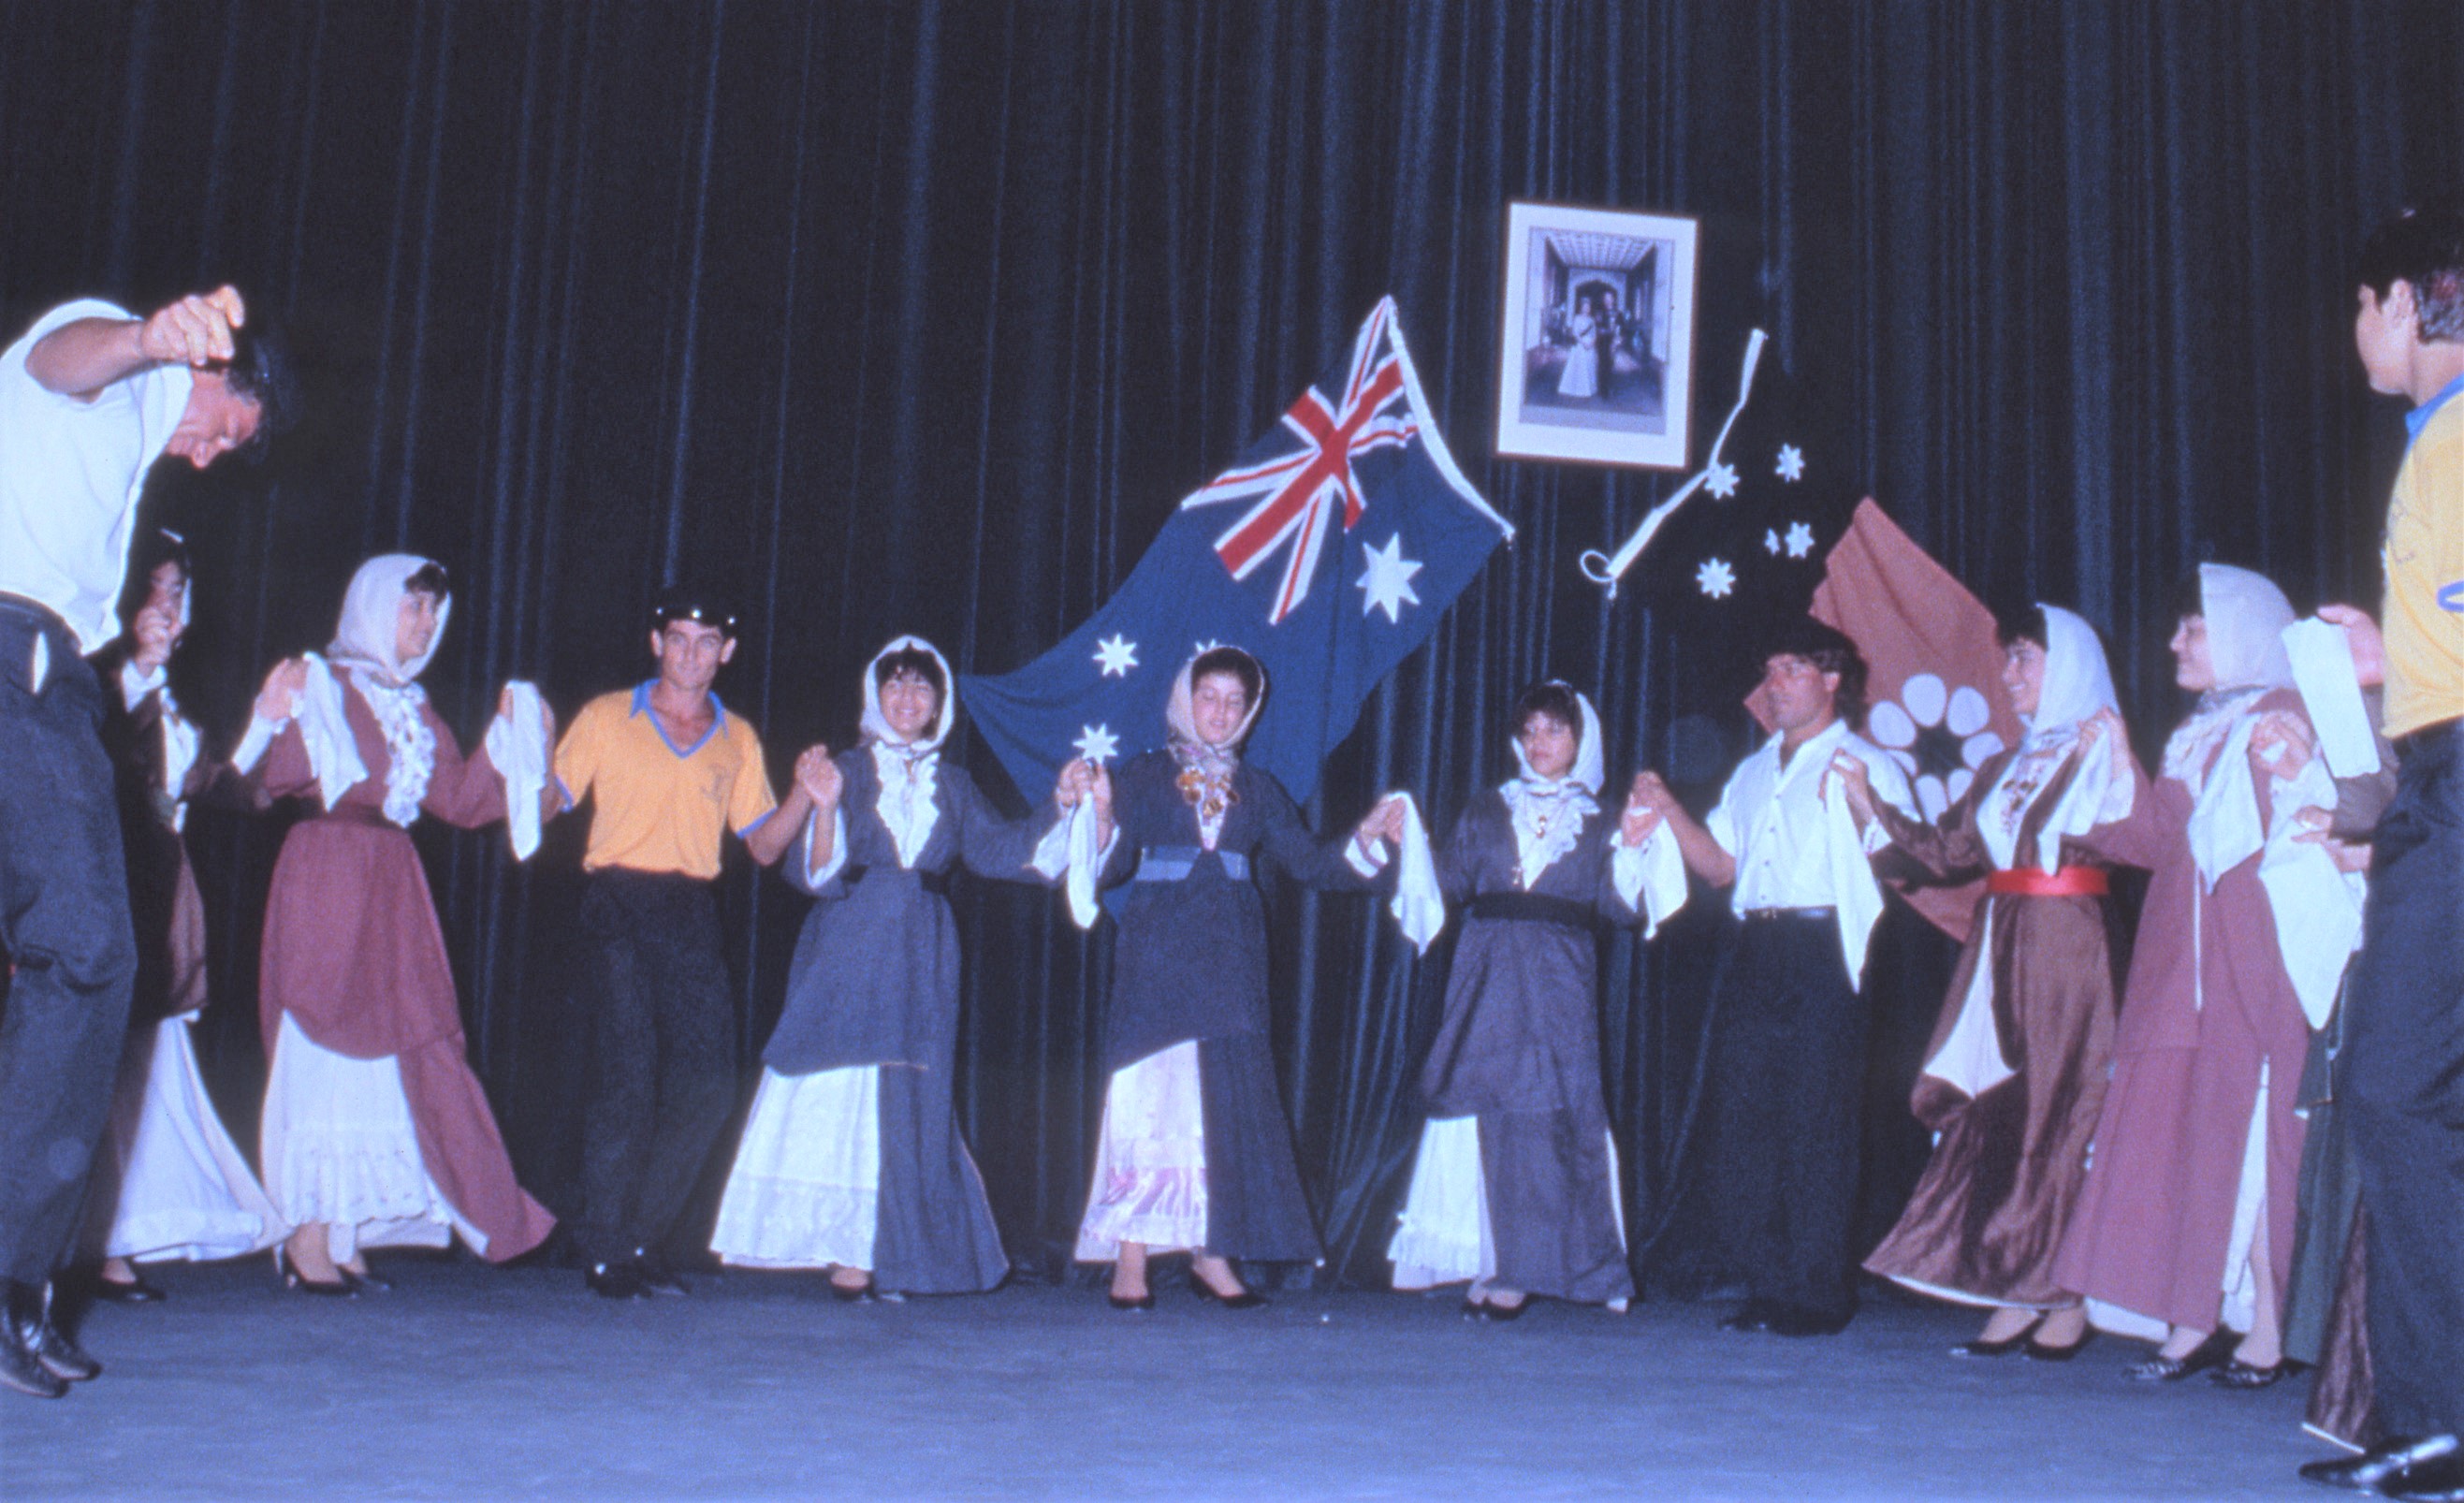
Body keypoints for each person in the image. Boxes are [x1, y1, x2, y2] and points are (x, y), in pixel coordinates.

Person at [0, 285, 294, 1399]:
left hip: (52, 676)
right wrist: (142, 338)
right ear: (212, 375)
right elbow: (55, 363)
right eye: (223, 431)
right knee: (86, 951)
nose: (209, 458)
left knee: (86, 957)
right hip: (13, 658)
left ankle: (19, 1279)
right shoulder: (117, 365)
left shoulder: (129, 453)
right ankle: (12, 1279)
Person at [710, 637, 1065, 1299]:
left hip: (923, 948)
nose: (907, 699)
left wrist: (1063, 807)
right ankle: (839, 1247)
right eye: (895, 685)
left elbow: (999, 853)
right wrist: (819, 805)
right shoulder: (844, 767)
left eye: (921, 688)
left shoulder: (953, 785)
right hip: (850, 937)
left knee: (909, 1094)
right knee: (837, 1082)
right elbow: (816, 873)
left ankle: (882, 1255)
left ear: (938, 703)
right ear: (875, 694)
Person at [244, 555, 558, 1292]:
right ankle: (307, 1239)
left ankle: (347, 1231)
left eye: (431, 612)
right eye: (411, 608)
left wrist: (510, 743)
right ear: (373, 608)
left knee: (393, 1057)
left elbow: (460, 800)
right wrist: (272, 714)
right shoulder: (323, 683)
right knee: (323, 1051)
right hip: (328, 878)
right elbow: (261, 784)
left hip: (391, 887)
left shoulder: (413, 706)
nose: (424, 625)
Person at [1066, 646, 1403, 1309]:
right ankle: (1129, 1259)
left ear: (1249, 711)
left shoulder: (1261, 789)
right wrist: (1100, 815)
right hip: (1156, 959)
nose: (1218, 712)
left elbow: (1311, 865)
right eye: (1207, 696)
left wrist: (1367, 835)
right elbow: (1103, 872)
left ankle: (1211, 1255)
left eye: (1232, 701)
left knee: (1216, 1107)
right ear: (1183, 700)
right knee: (1148, 1101)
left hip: (1231, 962)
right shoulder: (1140, 775)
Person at [2049, 564, 2320, 1387]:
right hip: (2183, 964)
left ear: (2241, 631)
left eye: (2192, 628)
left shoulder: (2286, 712)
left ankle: (2268, 1326)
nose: (2174, 642)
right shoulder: (2197, 730)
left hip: (2256, 955)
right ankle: (2189, 1314)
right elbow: (2153, 841)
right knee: (2189, 1135)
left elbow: (2313, 815)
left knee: (2262, 1133)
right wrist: (2113, 763)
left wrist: (2298, 769)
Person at [2297, 195, 2464, 1500]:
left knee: (2393, 1084)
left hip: (2456, 786)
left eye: (2363, 302)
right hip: (2437, 781)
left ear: (2411, 300)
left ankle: (2440, 1415)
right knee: (2409, 1090)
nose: (2357, 328)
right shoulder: (2437, 441)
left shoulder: (2454, 441)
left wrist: (2388, 667)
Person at [1842, 605, 2126, 1360]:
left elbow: (2126, 833)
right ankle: (2016, 1279)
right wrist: (1871, 806)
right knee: (1997, 1107)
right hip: (2001, 944)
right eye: (2009, 660)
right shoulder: (2005, 763)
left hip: (2068, 947)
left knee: (2059, 1112)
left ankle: (2060, 1290)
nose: (2008, 675)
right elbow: (1946, 853)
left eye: (2023, 659)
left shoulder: (2101, 748)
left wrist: (2115, 756)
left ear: (2062, 665)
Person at [1628, 619, 1917, 1336]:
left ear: (1830, 679)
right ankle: (1769, 1283)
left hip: (1827, 947)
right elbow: (1721, 867)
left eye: (1790, 670)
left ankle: (1817, 1296)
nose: (1774, 686)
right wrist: (1666, 810)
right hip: (1754, 949)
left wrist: (1864, 806)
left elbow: (1907, 858)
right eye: (1769, 672)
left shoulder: (1867, 763)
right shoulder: (1753, 771)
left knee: (1818, 1124)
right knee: (1743, 1123)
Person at [553, 592, 818, 1299]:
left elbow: (763, 846)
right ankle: (603, 1249)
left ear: (725, 653)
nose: (691, 655)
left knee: (707, 1085)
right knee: (627, 1078)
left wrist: (804, 793)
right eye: (678, 640)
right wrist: (518, 751)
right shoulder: (608, 715)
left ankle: (639, 1237)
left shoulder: (736, 738)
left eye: (706, 643)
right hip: (616, 901)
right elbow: (549, 800)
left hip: (690, 909)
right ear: (655, 643)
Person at [1385, 680, 1656, 1320]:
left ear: (1579, 741)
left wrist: (1637, 848)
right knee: (1488, 1105)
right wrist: (1408, 846)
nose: (1540, 743)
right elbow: (1446, 885)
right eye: (1530, 730)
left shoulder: (1603, 817)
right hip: (1486, 970)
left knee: (1549, 1114)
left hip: (1559, 975)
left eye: (1554, 731)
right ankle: (1490, 1258)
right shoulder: (1486, 808)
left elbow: (1618, 908)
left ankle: (1533, 1269)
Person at [78, 533, 284, 1301]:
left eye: (178, 594)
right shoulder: (94, 678)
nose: (168, 608)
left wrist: (264, 720)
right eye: (155, 591)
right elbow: (102, 738)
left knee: (131, 1068)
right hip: (105, 885)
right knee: (92, 1067)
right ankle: (83, 1245)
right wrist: (138, 671)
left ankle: (106, 1238)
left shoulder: (164, 695)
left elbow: (213, 784)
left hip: (156, 894)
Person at [1555, 296, 1600, 400]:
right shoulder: (1577, 318)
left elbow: (1594, 334)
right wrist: (1583, 343)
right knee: (1581, 367)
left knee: (1589, 366)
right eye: (1585, 307)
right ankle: (1579, 389)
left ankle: (1590, 389)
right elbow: (1575, 333)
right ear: (1581, 307)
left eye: (1588, 307)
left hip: (1590, 345)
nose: (1587, 309)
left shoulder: (1592, 320)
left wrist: (1592, 342)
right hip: (1581, 345)